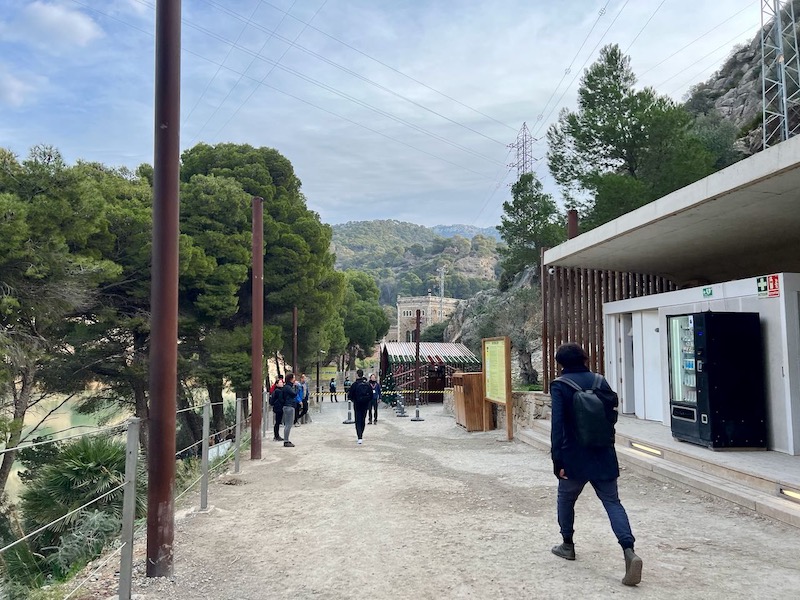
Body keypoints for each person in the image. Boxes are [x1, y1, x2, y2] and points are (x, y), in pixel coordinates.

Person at [549, 342, 642, 586]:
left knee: (566, 499)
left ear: (560, 364)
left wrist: (557, 459)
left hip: (573, 456)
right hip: (603, 453)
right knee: (612, 502)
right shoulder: (601, 382)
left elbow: (557, 427)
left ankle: (567, 544)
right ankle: (628, 550)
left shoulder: (560, 386)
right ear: (584, 358)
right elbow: (611, 417)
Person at [347, 369, 372, 445]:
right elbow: (371, 395)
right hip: (365, 405)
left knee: (358, 420)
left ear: (357, 375)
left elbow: (350, 395)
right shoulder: (367, 384)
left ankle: (359, 437)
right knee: (363, 420)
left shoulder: (354, 384)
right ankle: (362, 434)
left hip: (357, 405)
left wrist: (354, 399)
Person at [276, 372, 298, 448]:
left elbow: (281, 398)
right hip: (289, 406)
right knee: (288, 424)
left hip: (287, 406)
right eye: (294, 378)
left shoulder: (285, 387)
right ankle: (286, 441)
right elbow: (294, 394)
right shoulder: (288, 387)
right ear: (291, 379)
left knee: (288, 424)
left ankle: (286, 440)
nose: (295, 379)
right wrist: (296, 387)